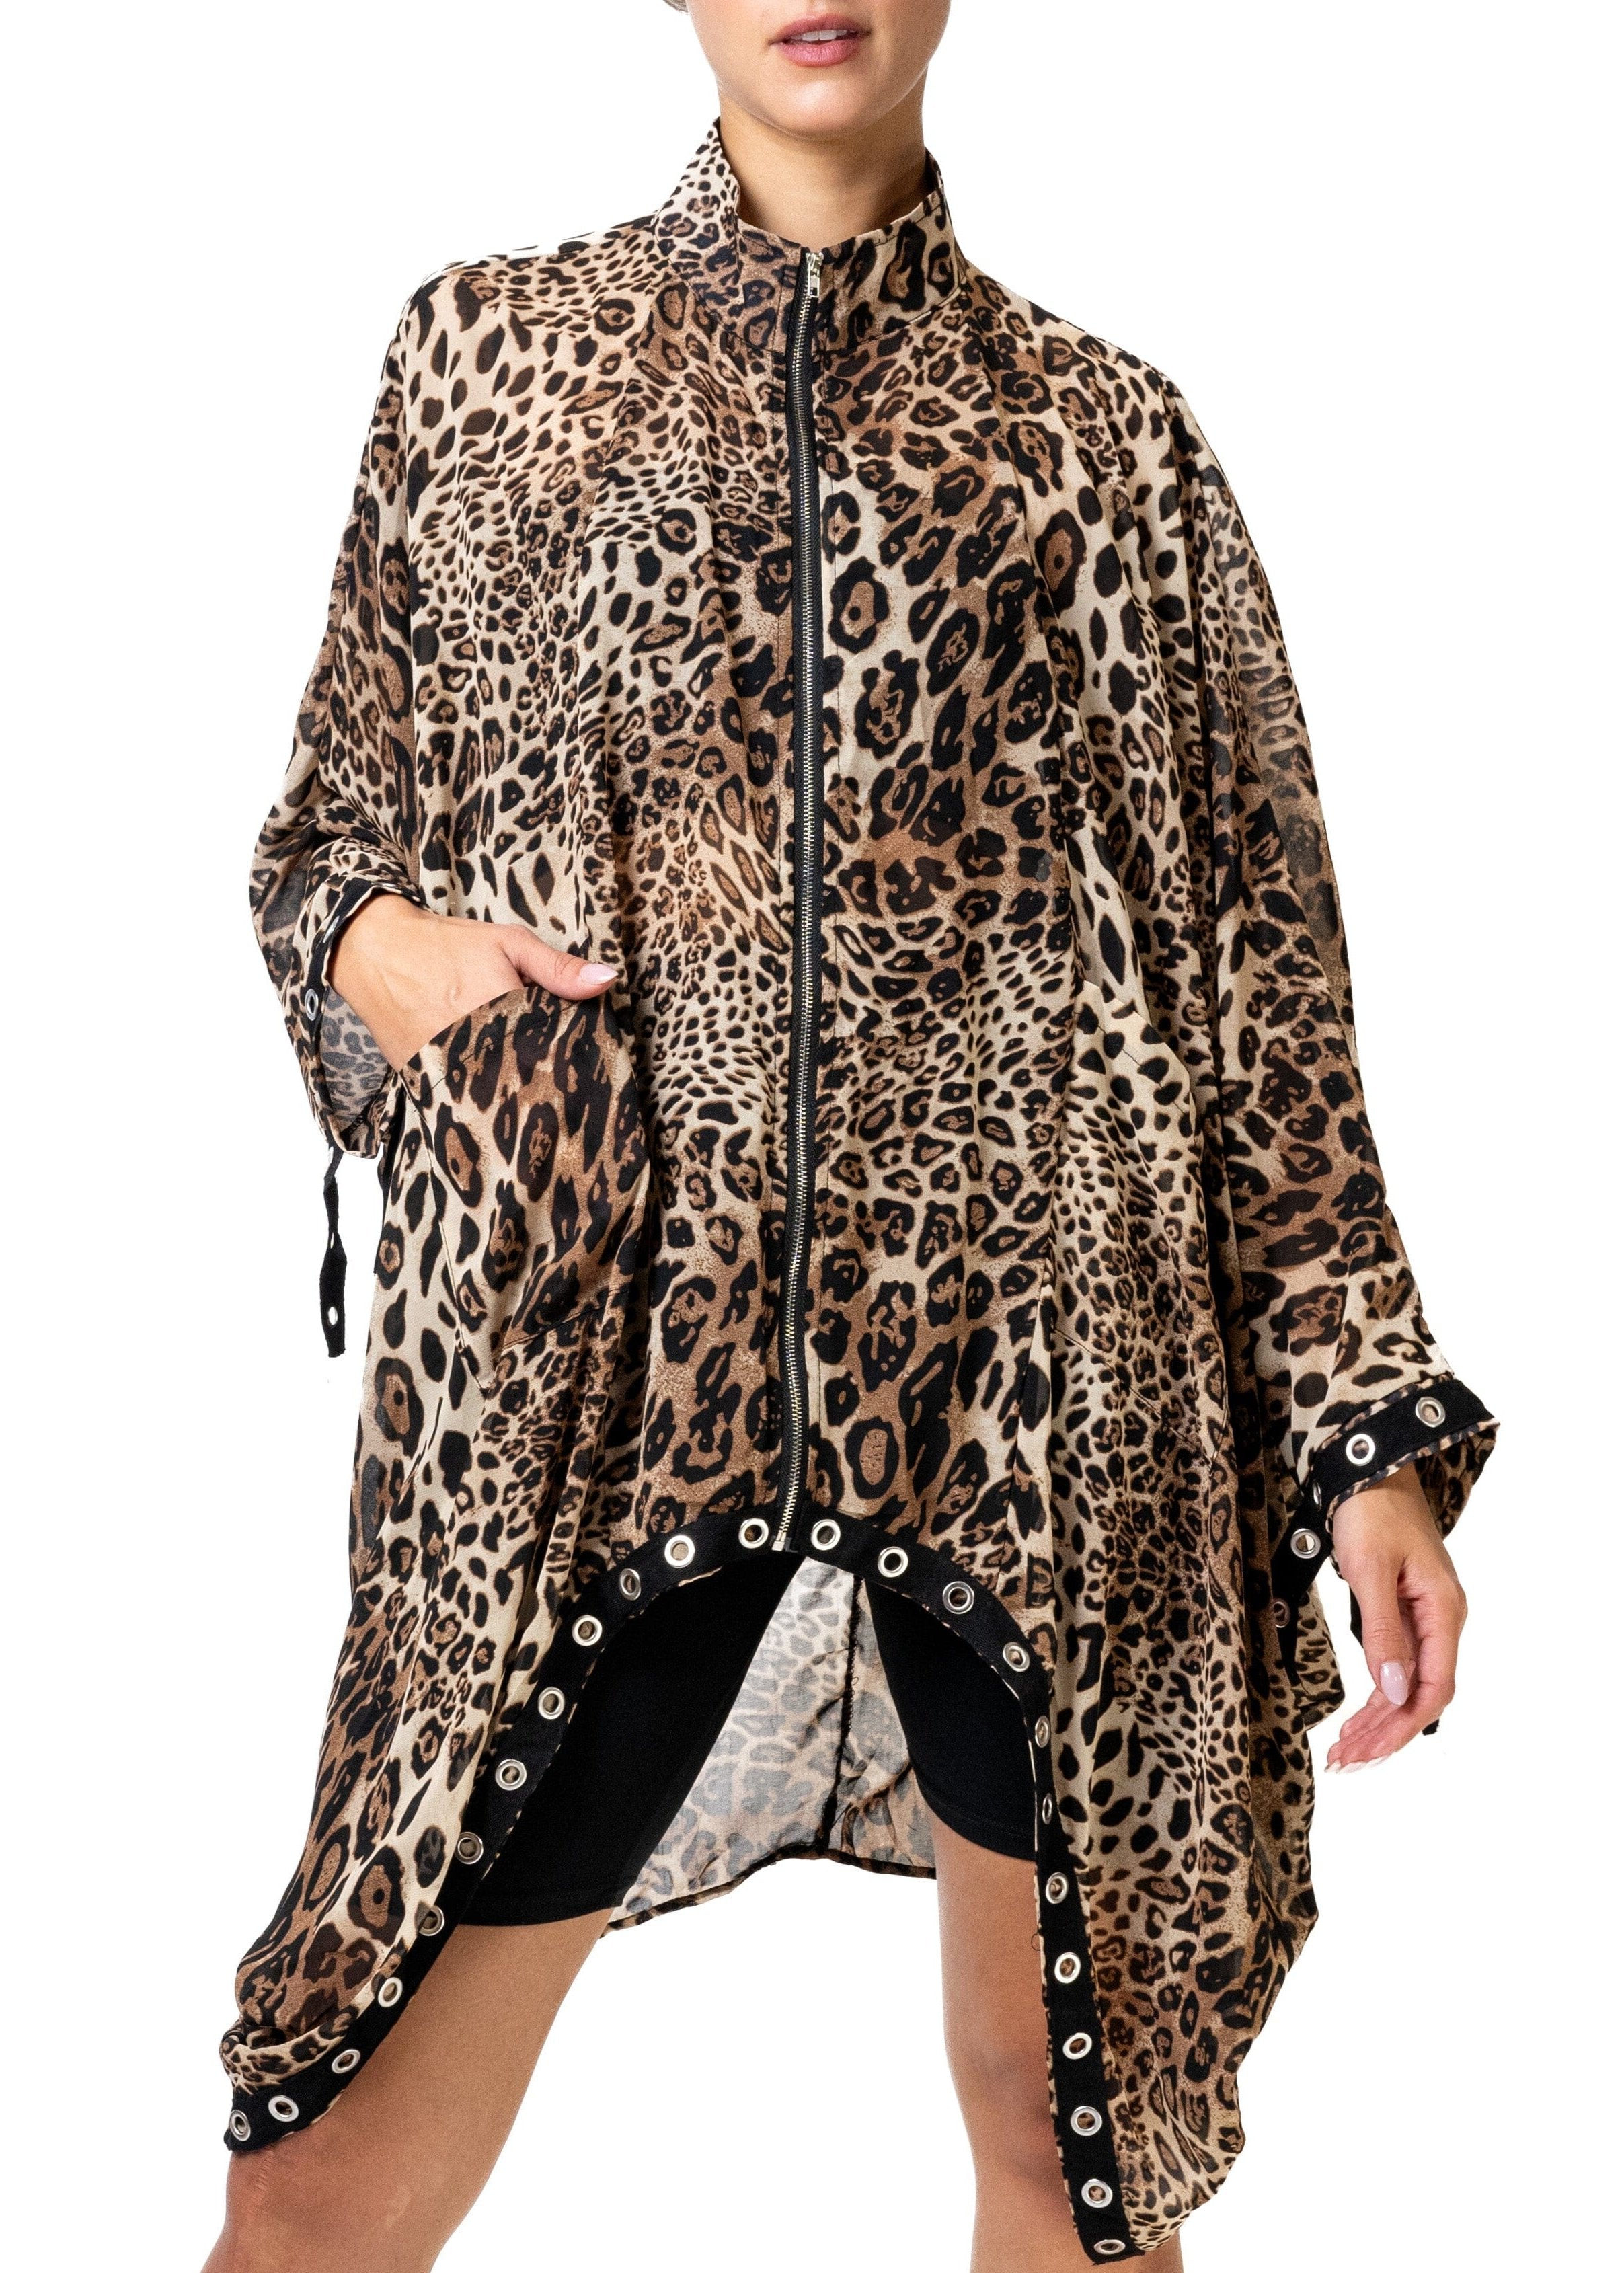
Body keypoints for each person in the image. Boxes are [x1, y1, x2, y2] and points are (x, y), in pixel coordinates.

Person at [207, 4, 1497, 2267]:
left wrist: (1362, 1434)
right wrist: (385, 957)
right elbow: (323, 844)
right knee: (324, 2171)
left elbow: (1263, 974)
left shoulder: (1105, 441)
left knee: (1061, 2132)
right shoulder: (492, 364)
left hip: (1039, 1397)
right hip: (598, 1371)